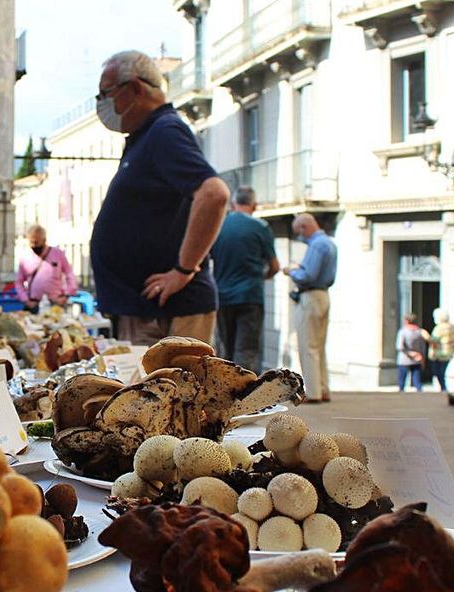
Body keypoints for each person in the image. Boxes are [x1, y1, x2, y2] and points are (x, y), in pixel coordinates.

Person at [89, 50, 230, 346]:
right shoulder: (148, 135)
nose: (101, 103)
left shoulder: (165, 131)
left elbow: (214, 194)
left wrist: (183, 270)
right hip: (150, 310)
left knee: (180, 392)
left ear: (136, 88)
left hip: (170, 313)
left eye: (106, 93)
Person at [210, 186, 279, 371]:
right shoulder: (260, 227)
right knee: (247, 350)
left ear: (233, 204)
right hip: (250, 295)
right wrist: (263, 277)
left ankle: (225, 394)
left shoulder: (218, 226)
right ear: (254, 205)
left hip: (222, 296)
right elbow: (275, 266)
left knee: (225, 349)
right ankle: (246, 396)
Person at [282, 212, 337, 403]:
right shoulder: (329, 243)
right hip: (323, 295)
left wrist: (292, 271)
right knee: (319, 346)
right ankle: (323, 388)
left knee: (308, 345)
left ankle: (313, 392)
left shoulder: (317, 244)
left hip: (310, 296)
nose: (300, 237)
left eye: (299, 232)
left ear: (305, 227)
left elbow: (307, 276)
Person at [15, 225, 78, 311]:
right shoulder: (25, 258)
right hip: (34, 303)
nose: (33, 245)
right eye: (31, 242)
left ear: (44, 241)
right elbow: (19, 282)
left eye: (36, 242)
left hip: (56, 302)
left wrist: (67, 294)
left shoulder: (58, 254)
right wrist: (25, 299)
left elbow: (69, 274)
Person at [427, 308, 454, 392]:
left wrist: (425, 336)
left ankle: (444, 389)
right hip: (449, 353)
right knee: (441, 372)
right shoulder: (451, 327)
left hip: (440, 353)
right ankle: (443, 388)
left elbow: (433, 340)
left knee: (439, 372)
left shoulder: (439, 328)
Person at [395, 313, 430, 392]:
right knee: (417, 381)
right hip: (417, 358)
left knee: (402, 381)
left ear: (406, 321)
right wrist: (422, 358)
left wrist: (410, 353)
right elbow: (423, 347)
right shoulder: (419, 332)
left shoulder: (403, 332)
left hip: (404, 359)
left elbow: (400, 346)